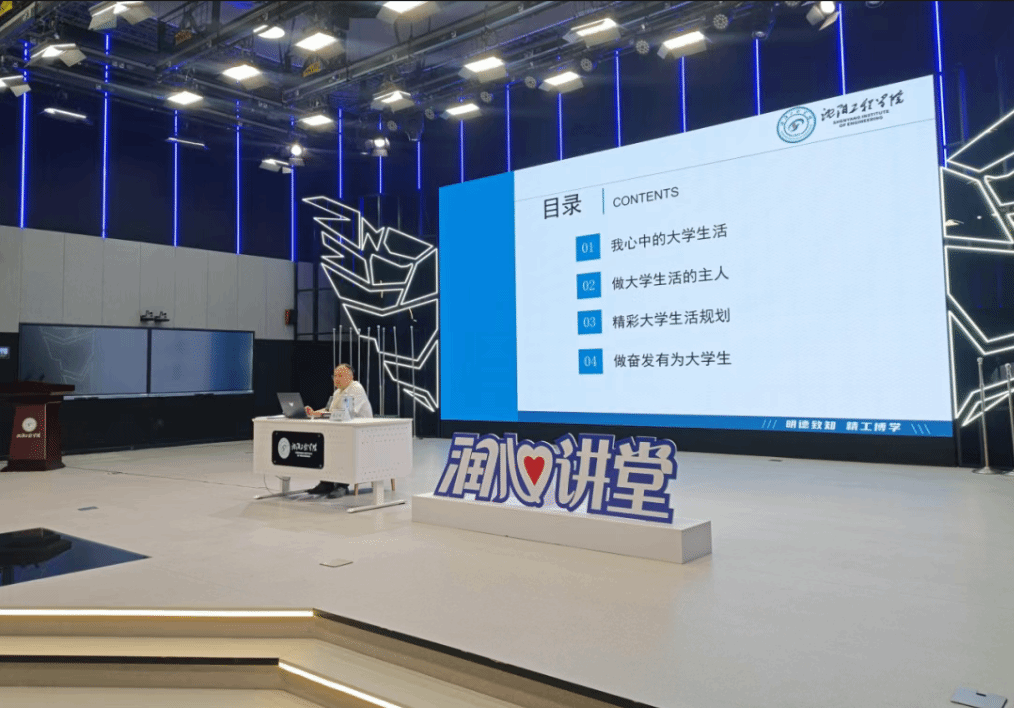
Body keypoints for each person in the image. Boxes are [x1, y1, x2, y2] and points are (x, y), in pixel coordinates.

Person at [304, 364, 373, 498]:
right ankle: (327, 482)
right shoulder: (337, 392)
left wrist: (323, 414)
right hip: (343, 430)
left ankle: (342, 485)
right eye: (335, 376)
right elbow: (328, 410)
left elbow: (346, 412)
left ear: (351, 377)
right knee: (324, 445)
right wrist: (313, 412)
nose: (336, 379)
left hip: (362, 434)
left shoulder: (356, 388)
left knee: (341, 447)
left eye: (340, 375)